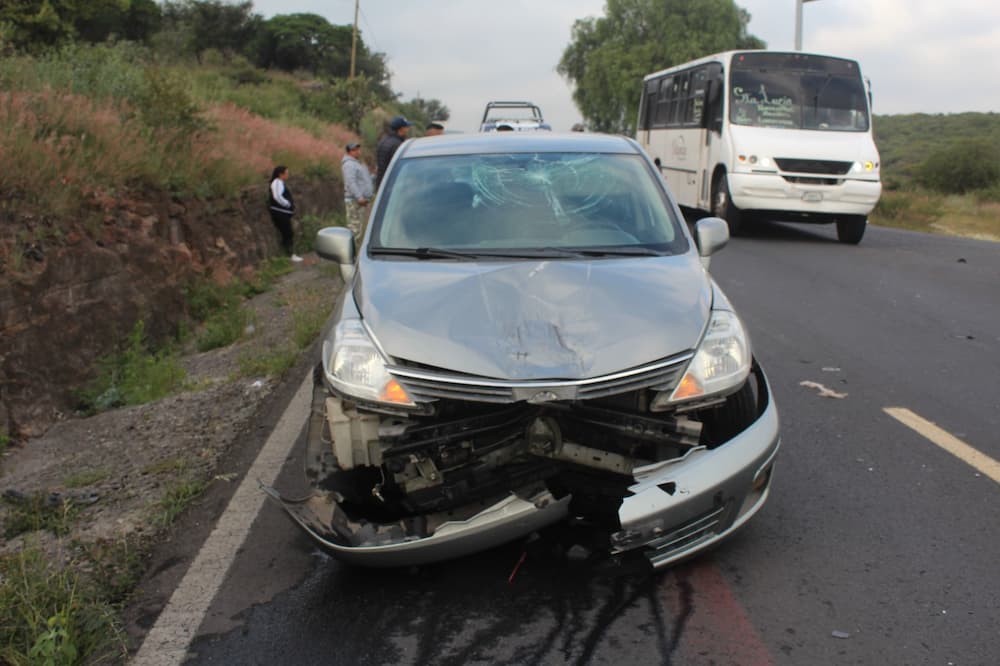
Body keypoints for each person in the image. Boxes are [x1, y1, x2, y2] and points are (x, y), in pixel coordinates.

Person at [341, 142, 375, 242]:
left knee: (360, 228)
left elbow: (364, 180)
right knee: (354, 229)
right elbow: (350, 182)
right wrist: (359, 197)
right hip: (354, 200)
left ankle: (356, 250)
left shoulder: (358, 163)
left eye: (358, 149)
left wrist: (374, 176)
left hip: (361, 200)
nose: (357, 152)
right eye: (354, 150)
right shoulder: (348, 164)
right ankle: (351, 253)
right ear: (349, 152)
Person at [268, 166, 302, 262]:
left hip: (283, 212)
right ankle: (290, 255)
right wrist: (287, 204)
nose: (288, 175)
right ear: (280, 174)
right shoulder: (277, 183)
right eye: (286, 173)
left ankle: (288, 253)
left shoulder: (279, 182)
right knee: (287, 233)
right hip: (280, 212)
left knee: (287, 233)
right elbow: (277, 196)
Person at [375, 116, 411, 189]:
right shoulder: (397, 145)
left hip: (381, 183)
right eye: (406, 127)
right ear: (401, 129)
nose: (408, 129)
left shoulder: (383, 140)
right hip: (391, 185)